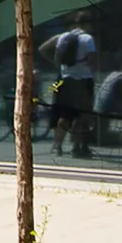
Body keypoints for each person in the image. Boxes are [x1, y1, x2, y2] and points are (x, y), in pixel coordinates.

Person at [40, 11, 96, 158]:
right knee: (82, 115)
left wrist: (63, 69)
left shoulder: (64, 37)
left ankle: (57, 146)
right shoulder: (88, 39)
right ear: (87, 24)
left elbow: (57, 58)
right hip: (83, 80)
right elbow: (92, 60)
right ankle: (76, 147)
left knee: (65, 115)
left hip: (65, 80)